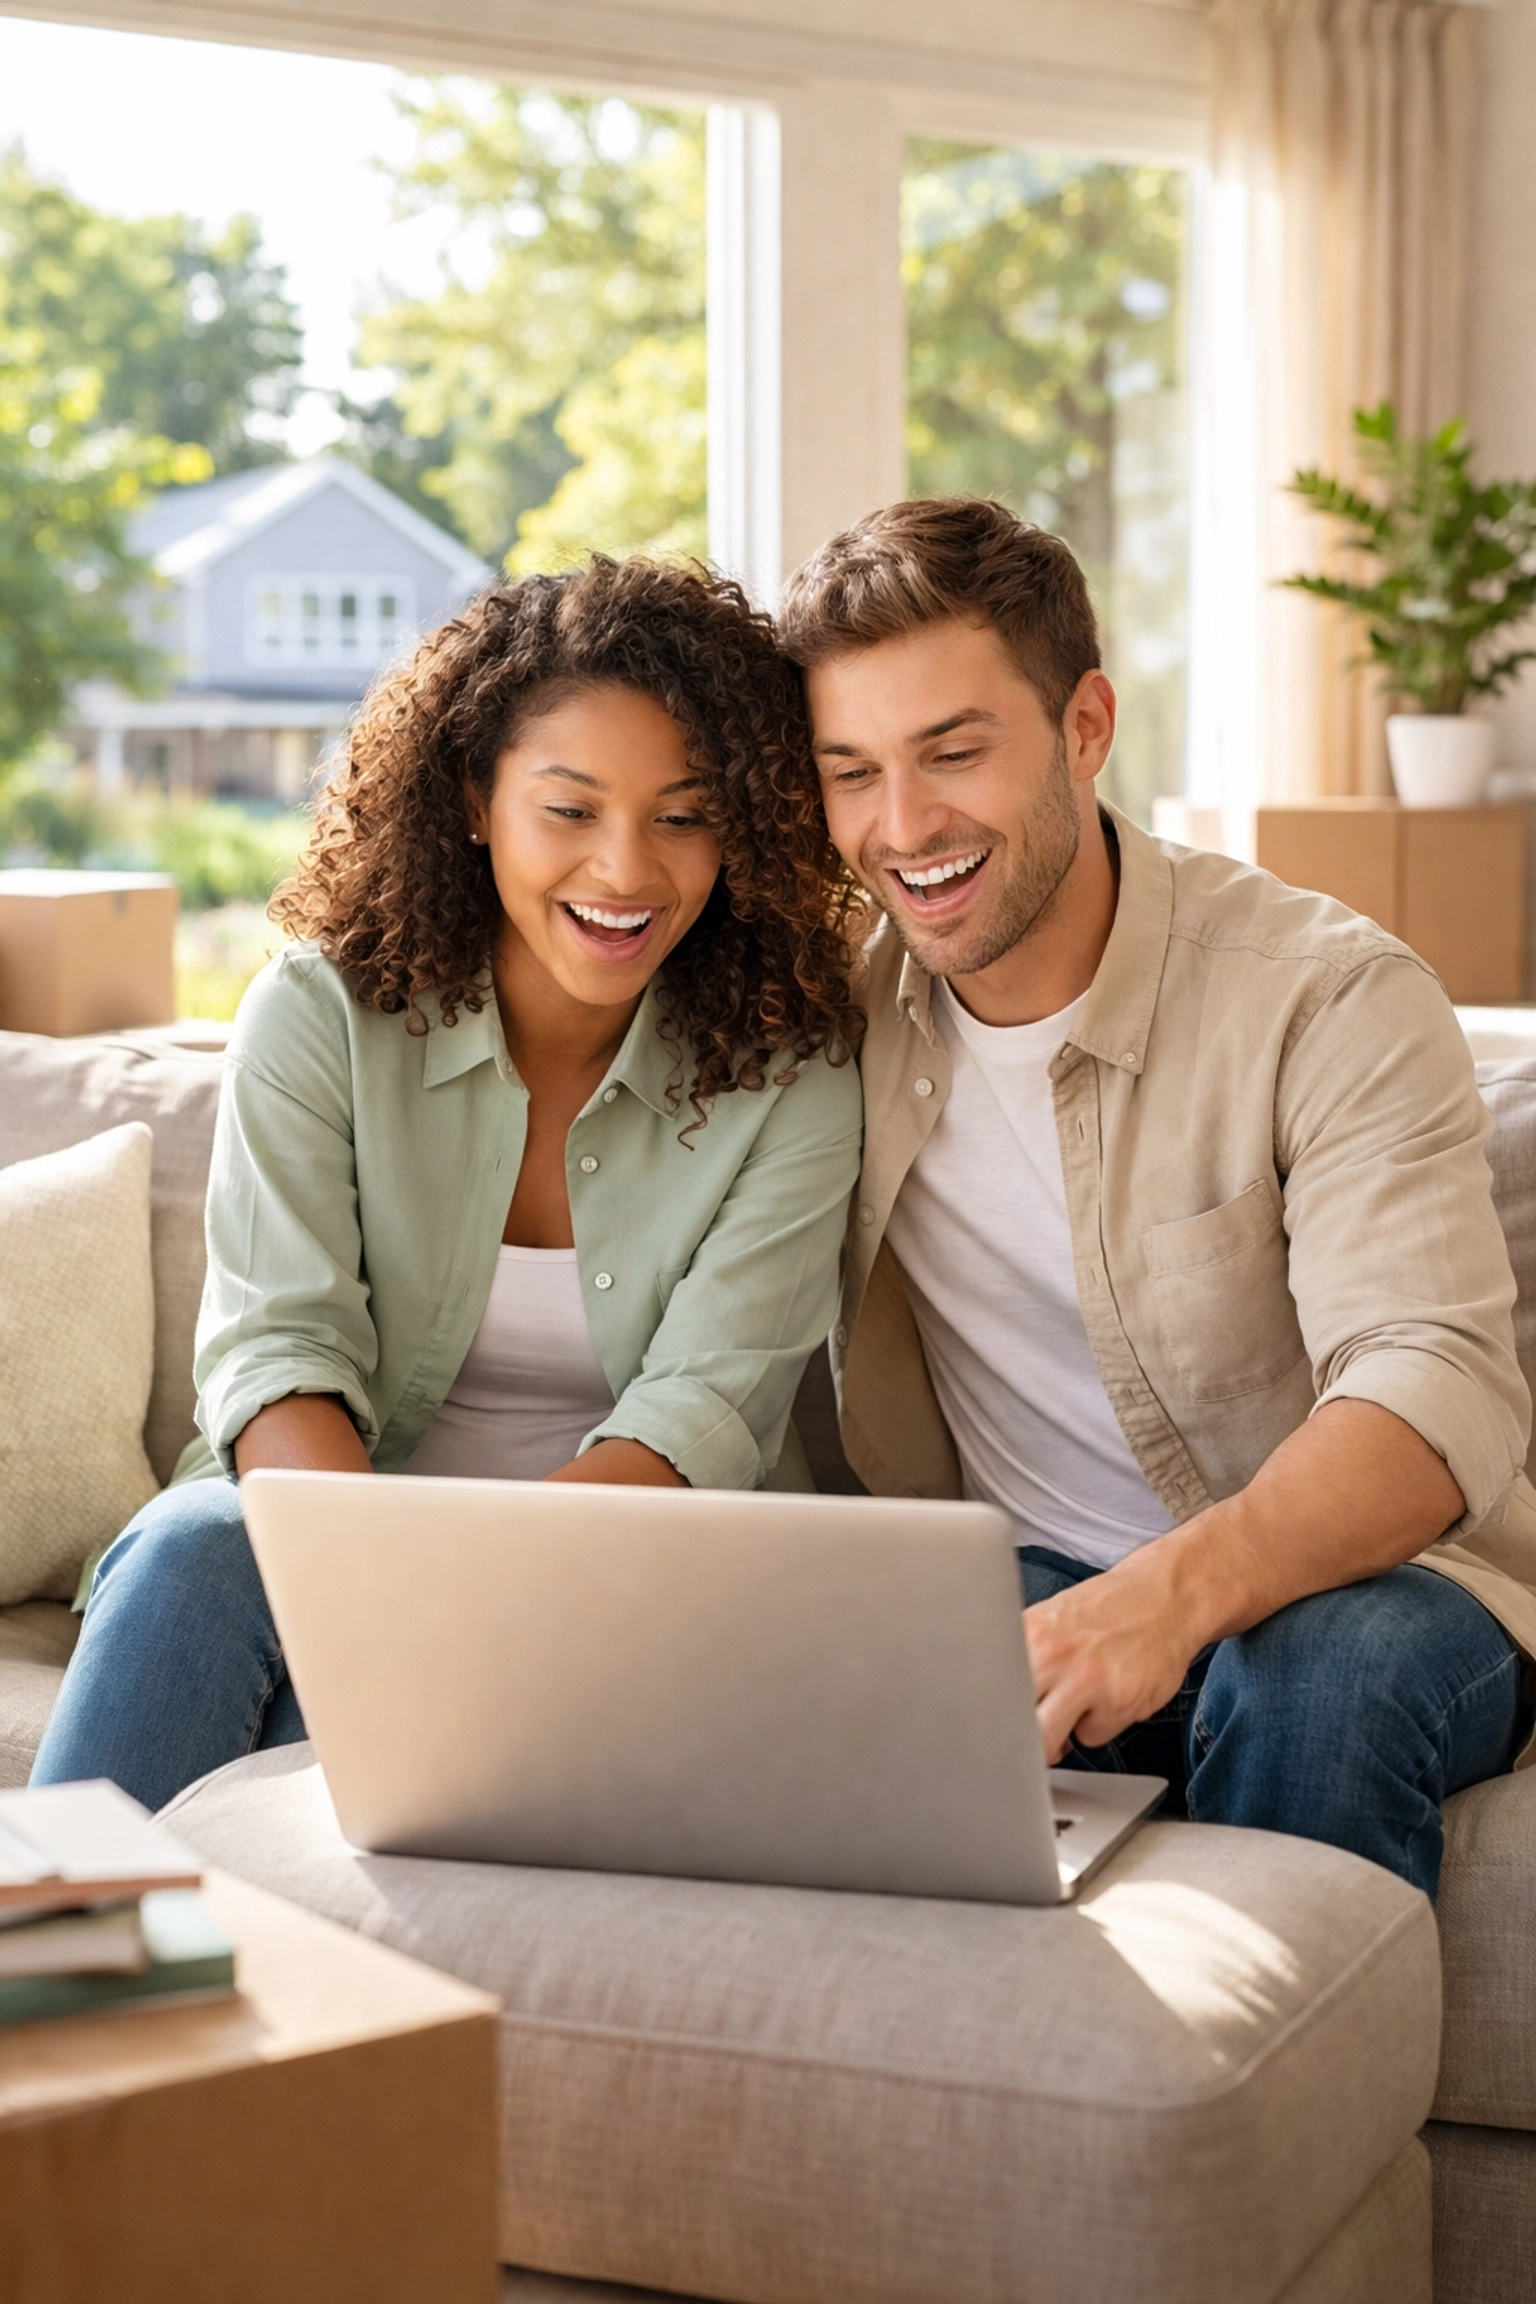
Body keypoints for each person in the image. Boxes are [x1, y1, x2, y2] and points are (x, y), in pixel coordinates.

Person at [780, 495, 1536, 1900]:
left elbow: (1434, 1391)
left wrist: (1165, 1600)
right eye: (853, 773)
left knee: (1319, 1675)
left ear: (1084, 727)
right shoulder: (831, 1007)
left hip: (1378, 1595)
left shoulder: (1326, 995)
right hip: (1020, 1580)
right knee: (799, 1667)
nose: (904, 826)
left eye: (954, 752)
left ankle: (1285, 2119)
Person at [34, 558, 864, 1814]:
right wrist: (392, 1611)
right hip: (332, 1570)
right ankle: (50, 1974)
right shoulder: (320, 1017)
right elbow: (280, 1352)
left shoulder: (793, 1073)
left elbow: (701, 1417)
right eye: (570, 810)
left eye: (686, 815)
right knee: (195, 1546)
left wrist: (469, 1619)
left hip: (637, 1591)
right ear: (476, 800)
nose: (628, 871)